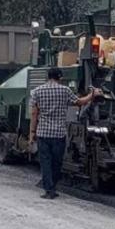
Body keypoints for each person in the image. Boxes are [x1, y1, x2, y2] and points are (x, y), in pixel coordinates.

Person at [28, 67, 100, 199]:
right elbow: (79, 102)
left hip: (43, 133)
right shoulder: (65, 90)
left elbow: (34, 113)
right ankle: (53, 187)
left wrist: (32, 133)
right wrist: (92, 94)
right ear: (60, 77)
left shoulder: (37, 91)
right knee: (57, 163)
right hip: (59, 134)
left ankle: (48, 190)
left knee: (45, 163)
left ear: (48, 76)